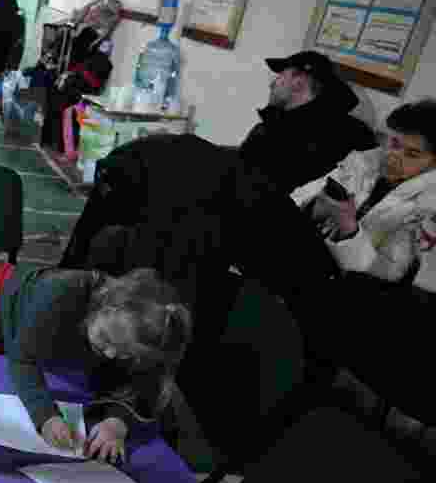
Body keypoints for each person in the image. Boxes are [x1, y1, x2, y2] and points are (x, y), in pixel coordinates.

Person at [58, 133, 341, 452]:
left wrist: (119, 413)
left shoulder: (184, 208)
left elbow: (166, 325)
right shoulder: (161, 175)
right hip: (287, 267)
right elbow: (87, 241)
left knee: (165, 319)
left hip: (312, 301)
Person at [0, 260, 192, 460]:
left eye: (124, 353)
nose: (112, 354)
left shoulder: (136, 334)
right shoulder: (64, 290)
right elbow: (23, 360)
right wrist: (46, 417)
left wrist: (117, 422)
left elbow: (143, 386)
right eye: (108, 340)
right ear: (107, 307)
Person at [291, 99, 436, 427]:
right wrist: (313, 209)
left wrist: (349, 229)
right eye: (394, 143)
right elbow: (297, 199)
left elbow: (391, 277)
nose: (394, 156)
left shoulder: (429, 206)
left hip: (364, 307)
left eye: (412, 154)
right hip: (311, 267)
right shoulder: (364, 162)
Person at [239, 50, 377, 194]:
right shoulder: (356, 134)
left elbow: (240, 186)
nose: (273, 84)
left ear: (298, 82)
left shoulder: (273, 134)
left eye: (280, 76)